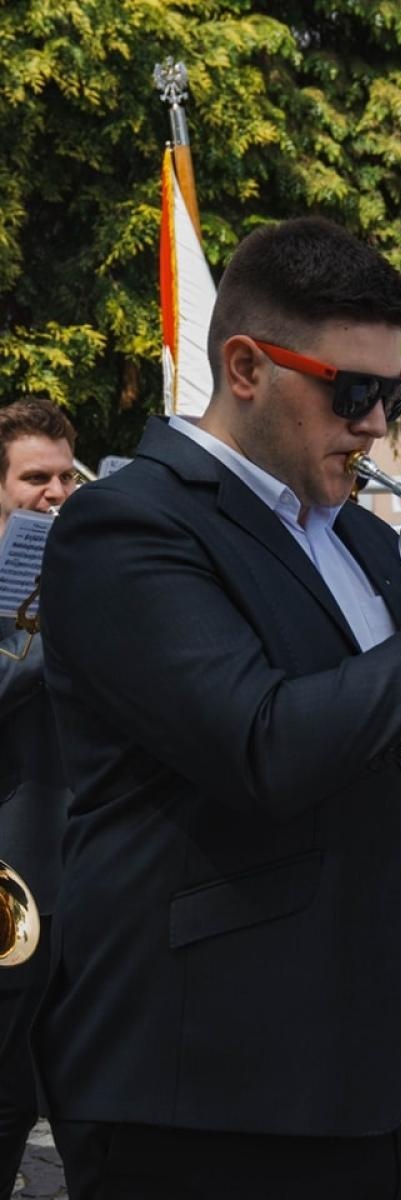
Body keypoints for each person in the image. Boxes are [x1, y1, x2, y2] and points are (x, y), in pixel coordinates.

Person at [34, 217, 401, 1200]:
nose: (373, 424)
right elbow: (268, 747)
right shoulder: (126, 523)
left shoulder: (351, 532)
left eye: (390, 395)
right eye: (351, 392)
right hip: (237, 1099)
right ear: (246, 366)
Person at [0, 397, 76, 1200]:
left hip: (77, 873)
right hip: (9, 874)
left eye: (65, 477)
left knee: (82, 1096)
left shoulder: (84, 569)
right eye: (33, 479)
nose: (55, 494)